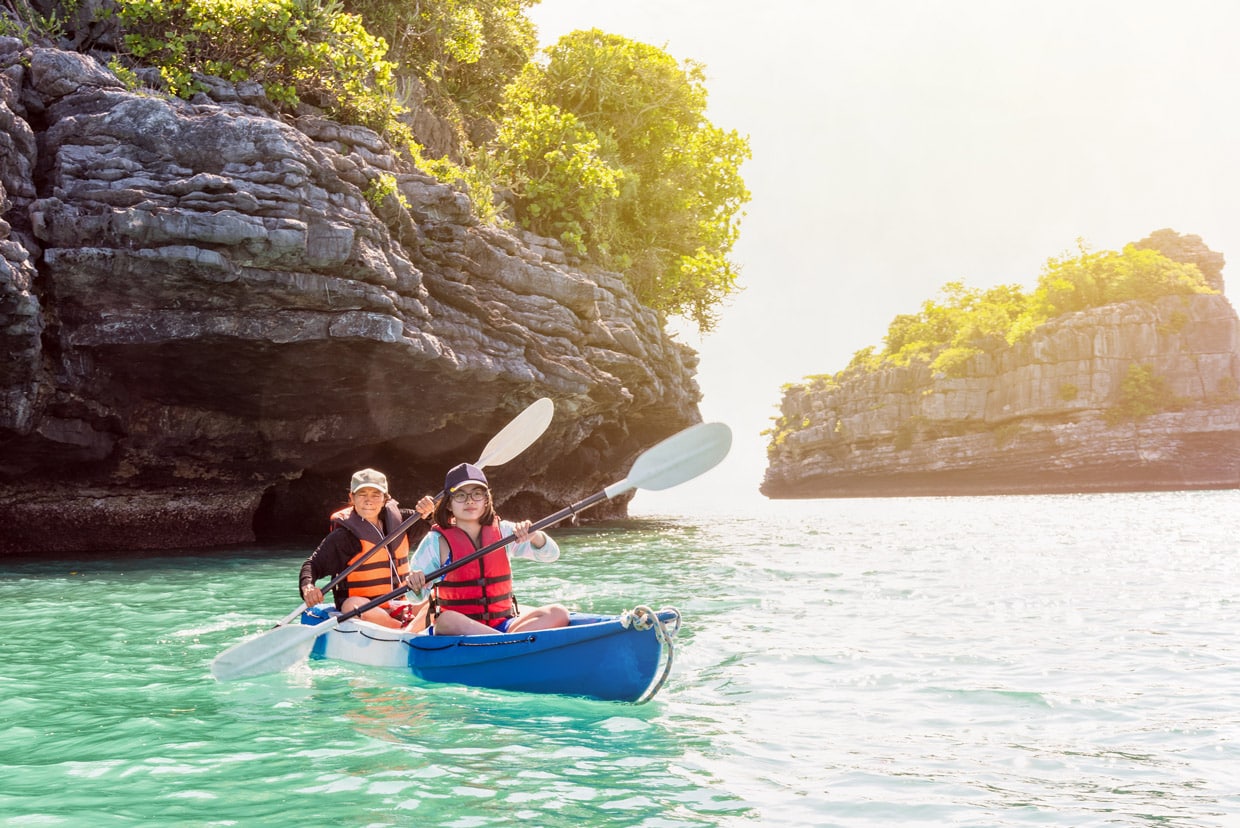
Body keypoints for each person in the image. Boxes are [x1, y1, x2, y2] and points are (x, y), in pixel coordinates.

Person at [405, 462, 570, 635]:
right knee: (446, 620)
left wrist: (535, 536)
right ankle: (509, 645)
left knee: (558, 612)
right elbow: (415, 597)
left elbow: (551, 555)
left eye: (477, 494)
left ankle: (503, 644)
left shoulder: (505, 531)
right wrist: (415, 585)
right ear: (448, 504)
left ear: (486, 501)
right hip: (460, 630)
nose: (469, 500)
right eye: (460, 495)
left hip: (502, 625)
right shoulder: (436, 541)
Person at [299, 468, 435, 629]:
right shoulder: (344, 537)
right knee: (353, 605)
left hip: (403, 603)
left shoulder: (404, 522)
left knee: (437, 597)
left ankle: (411, 628)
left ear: (385, 498)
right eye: (362, 494)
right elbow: (313, 565)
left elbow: (438, 522)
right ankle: (404, 630)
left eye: (375, 495)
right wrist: (308, 586)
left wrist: (431, 510)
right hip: (365, 608)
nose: (368, 501)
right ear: (352, 497)